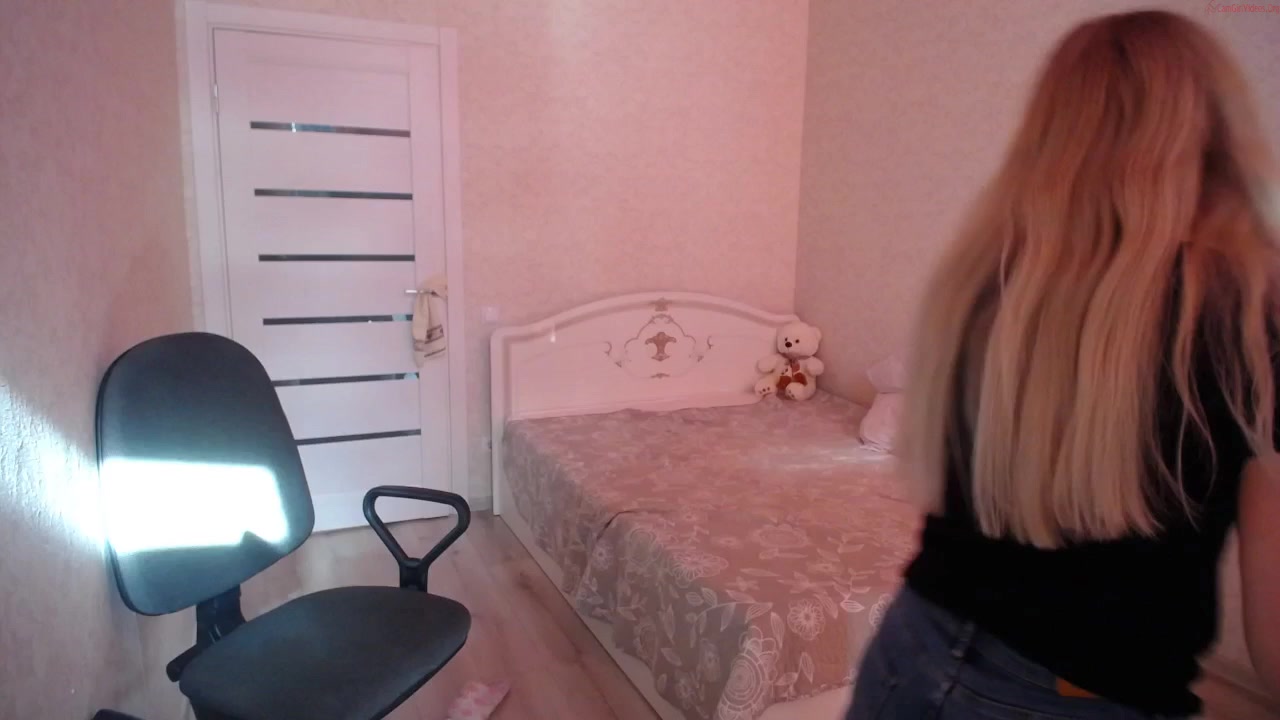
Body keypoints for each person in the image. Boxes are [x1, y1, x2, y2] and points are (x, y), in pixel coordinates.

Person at [848, 10, 1280, 719]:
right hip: (1074, 690)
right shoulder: (1251, 313)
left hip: (914, 637)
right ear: (1217, 127)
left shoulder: (985, 278)